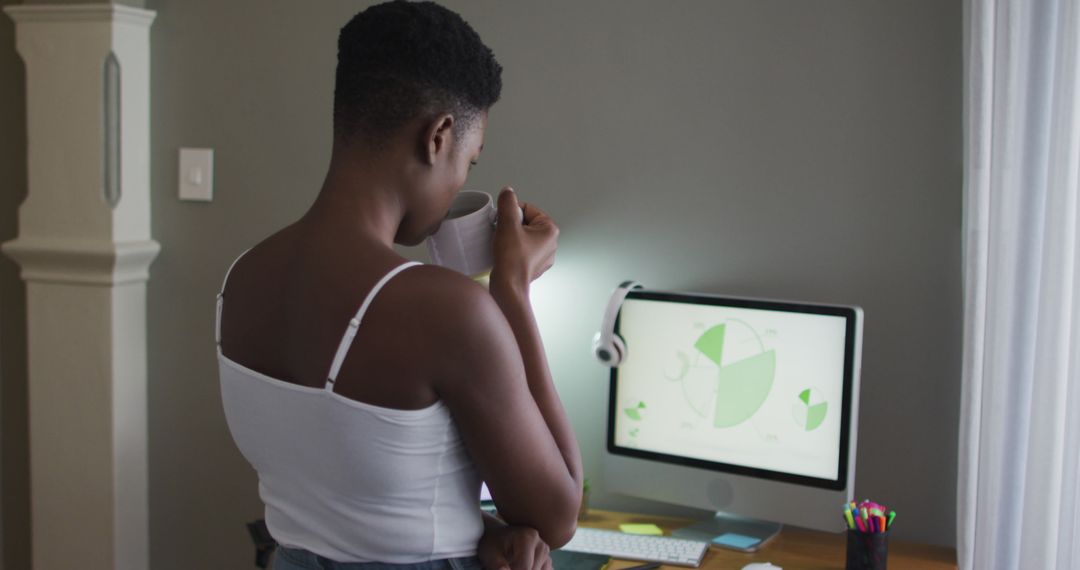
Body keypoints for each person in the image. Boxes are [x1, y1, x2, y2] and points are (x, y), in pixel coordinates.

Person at [215, 2, 584, 569]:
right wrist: (511, 289)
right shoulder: (447, 311)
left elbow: (347, 491)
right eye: (471, 159)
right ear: (438, 136)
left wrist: (478, 530)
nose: (463, 179)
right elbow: (558, 513)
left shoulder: (240, 278)